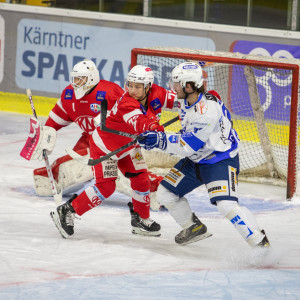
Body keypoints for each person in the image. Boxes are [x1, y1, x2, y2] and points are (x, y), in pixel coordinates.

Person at [138, 61, 270, 248]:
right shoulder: (188, 97)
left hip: (220, 160)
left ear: (189, 86)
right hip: (196, 160)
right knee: (166, 193)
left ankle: (259, 243)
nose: (173, 88)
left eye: (176, 84)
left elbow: (187, 145)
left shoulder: (206, 113)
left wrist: (159, 140)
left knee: (226, 205)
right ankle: (193, 227)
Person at [49, 65, 177, 238]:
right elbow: (139, 122)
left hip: (129, 146)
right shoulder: (127, 103)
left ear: (148, 86)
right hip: (105, 148)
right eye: (129, 85)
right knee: (106, 187)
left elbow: (180, 99)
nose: (132, 90)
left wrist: (197, 104)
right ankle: (67, 211)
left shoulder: (158, 93)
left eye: (137, 87)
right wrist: (154, 127)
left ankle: (140, 218)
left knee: (141, 180)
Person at [32, 59, 125, 197]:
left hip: (113, 142)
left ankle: (151, 188)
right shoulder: (69, 94)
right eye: (74, 78)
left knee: (127, 176)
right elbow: (56, 119)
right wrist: (45, 135)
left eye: (80, 79)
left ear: (92, 78)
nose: (75, 83)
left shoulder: (110, 92)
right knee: (62, 169)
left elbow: (129, 118)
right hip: (89, 140)